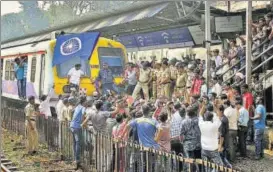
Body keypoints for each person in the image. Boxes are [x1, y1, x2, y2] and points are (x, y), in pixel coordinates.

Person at [199, 100, 223, 171]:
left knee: (207, 166)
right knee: (220, 165)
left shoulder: (201, 124)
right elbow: (219, 116)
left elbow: (200, 114)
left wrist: (203, 106)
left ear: (205, 117)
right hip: (213, 148)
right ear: (212, 118)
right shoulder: (214, 125)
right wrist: (215, 107)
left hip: (204, 148)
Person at [180, 107, 201, 171]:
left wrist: (182, 141)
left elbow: (181, 134)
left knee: (189, 161)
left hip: (188, 145)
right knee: (199, 161)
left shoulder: (184, 122)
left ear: (187, 113)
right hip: (198, 144)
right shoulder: (199, 120)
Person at [70, 97, 87, 170]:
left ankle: (75, 158)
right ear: (84, 102)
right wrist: (85, 125)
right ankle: (77, 160)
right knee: (78, 143)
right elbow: (83, 117)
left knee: (75, 143)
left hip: (72, 126)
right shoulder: (83, 108)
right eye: (86, 101)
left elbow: (72, 112)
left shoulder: (77, 107)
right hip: (77, 127)